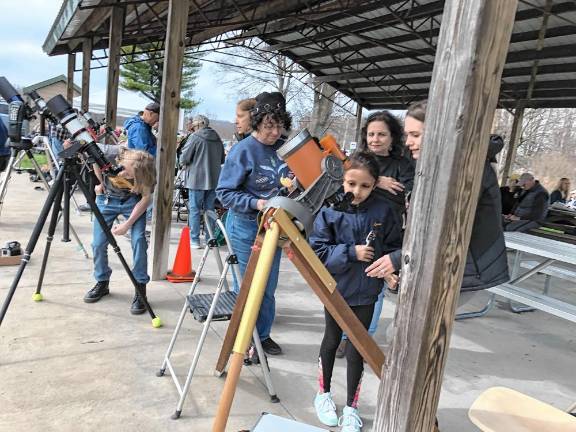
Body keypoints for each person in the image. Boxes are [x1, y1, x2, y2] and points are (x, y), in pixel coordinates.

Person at [367, 100, 509, 308]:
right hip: (442, 263)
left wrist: (397, 259)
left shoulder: (465, 169)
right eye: (408, 135)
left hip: (463, 267)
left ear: (439, 132)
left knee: (412, 332)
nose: (408, 142)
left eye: (415, 135)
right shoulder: (441, 164)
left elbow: (445, 229)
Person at [309, 152, 402, 432]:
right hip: (335, 289)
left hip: (367, 292)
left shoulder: (385, 211)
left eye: (365, 186)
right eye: (351, 184)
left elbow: (397, 246)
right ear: (342, 180)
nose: (356, 191)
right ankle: (323, 394)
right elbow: (317, 250)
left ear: (375, 185)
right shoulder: (329, 209)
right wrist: (351, 252)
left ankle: (352, 406)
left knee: (357, 348)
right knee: (331, 339)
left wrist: (392, 270)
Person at [216, 91, 292, 356]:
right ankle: (243, 338)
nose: (275, 132)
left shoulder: (285, 148)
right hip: (247, 226)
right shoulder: (243, 150)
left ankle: (263, 334)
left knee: (268, 287)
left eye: (280, 125)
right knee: (246, 287)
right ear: (258, 122)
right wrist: (257, 203)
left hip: (275, 227)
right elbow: (224, 192)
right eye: (270, 125)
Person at [336, 111, 411, 357]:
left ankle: (361, 337)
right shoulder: (355, 159)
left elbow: (408, 194)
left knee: (374, 284)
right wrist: (377, 181)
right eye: (371, 134)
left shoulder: (403, 165)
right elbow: (341, 182)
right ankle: (345, 333)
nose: (375, 139)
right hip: (352, 228)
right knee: (346, 285)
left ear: (393, 137)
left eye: (381, 134)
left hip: (383, 232)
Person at [82, 146, 156, 314]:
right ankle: (102, 282)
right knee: (98, 244)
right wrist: (100, 183)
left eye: (129, 175)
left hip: (132, 202)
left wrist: (127, 225)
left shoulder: (147, 171)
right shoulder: (110, 153)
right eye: (123, 170)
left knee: (138, 240)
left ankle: (140, 287)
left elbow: (145, 199)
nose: (122, 175)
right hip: (107, 200)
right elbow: (91, 153)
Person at [178, 115, 225, 248]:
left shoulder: (195, 137)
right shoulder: (217, 137)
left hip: (196, 179)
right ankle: (210, 239)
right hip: (214, 179)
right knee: (210, 209)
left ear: (197, 125)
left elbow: (184, 158)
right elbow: (222, 159)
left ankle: (195, 240)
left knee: (194, 210)